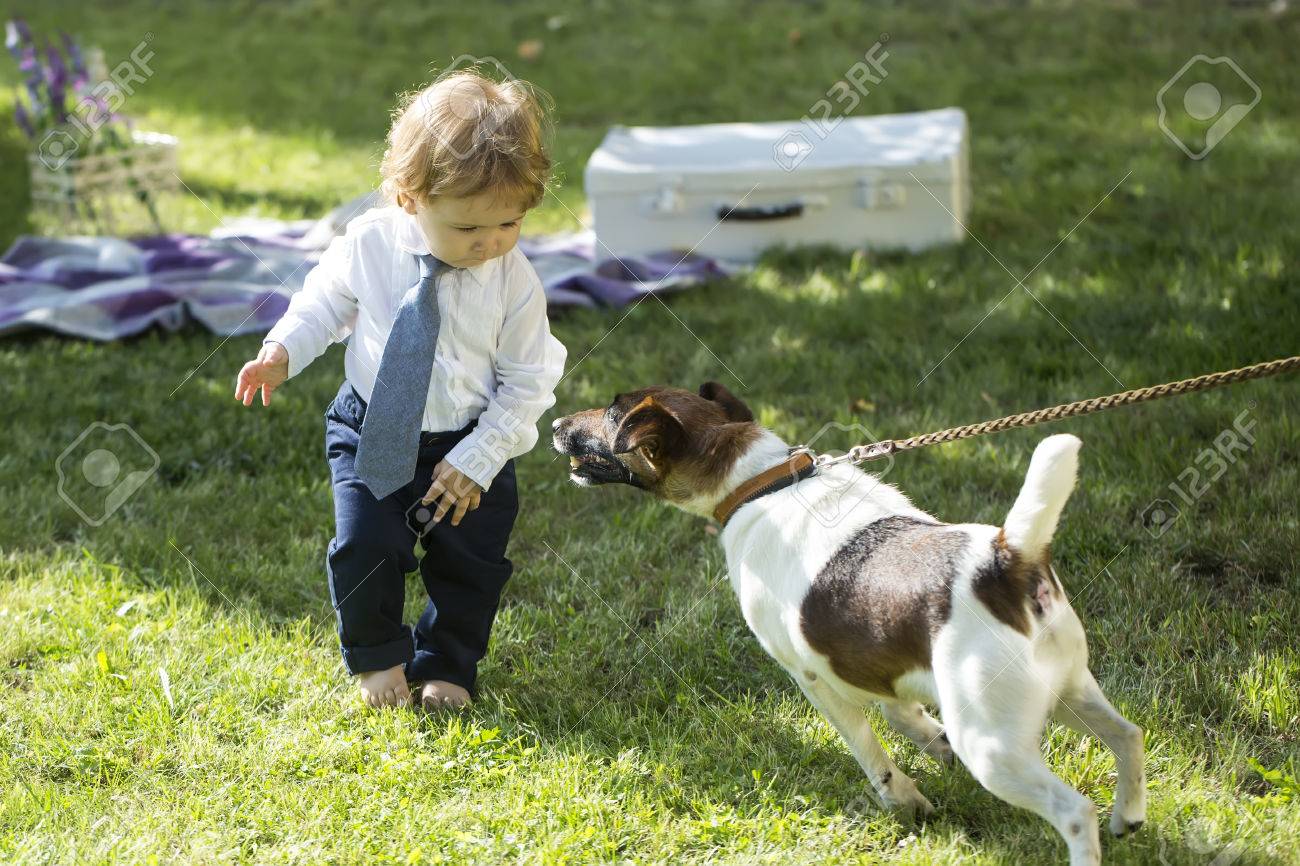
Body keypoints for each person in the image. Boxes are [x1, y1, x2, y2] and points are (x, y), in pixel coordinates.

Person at [234, 70, 566, 710]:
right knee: (366, 545)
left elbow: (530, 380)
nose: (491, 242)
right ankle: (378, 656)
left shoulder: (513, 280)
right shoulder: (369, 242)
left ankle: (448, 664)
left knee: (470, 562)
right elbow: (322, 304)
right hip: (373, 427)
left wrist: (478, 458)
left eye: (510, 223)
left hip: (472, 440)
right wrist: (281, 350)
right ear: (411, 198)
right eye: (470, 229)